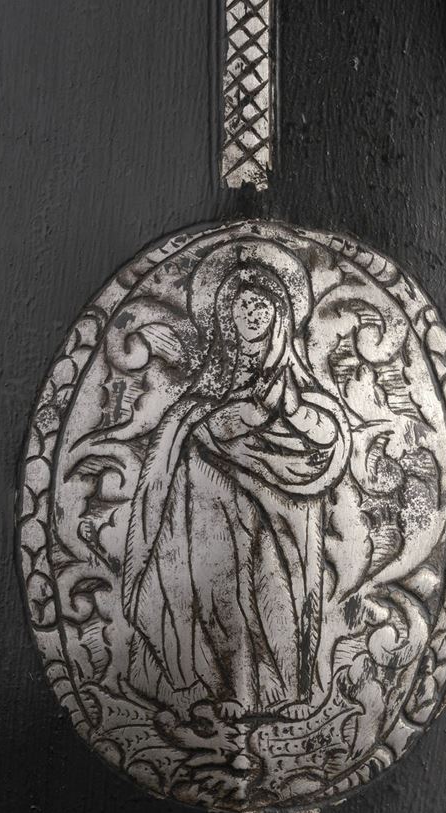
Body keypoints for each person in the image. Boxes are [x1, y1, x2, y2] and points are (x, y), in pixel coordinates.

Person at [121, 249, 350, 717]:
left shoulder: (296, 381)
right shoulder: (215, 379)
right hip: (214, 502)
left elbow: (329, 436)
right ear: (226, 315)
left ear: (280, 314)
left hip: (280, 511)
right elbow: (188, 426)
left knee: (278, 586)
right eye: (243, 306)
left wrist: (290, 417)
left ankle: (287, 688)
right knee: (220, 585)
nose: (251, 315)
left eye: (261, 306)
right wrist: (232, 420)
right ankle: (228, 686)